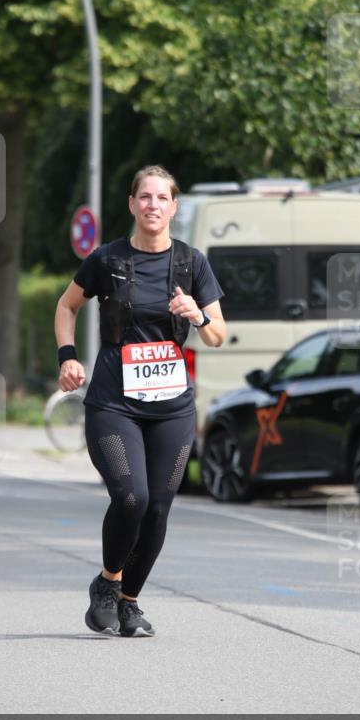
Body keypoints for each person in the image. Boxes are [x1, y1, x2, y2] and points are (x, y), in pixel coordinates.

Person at [55, 165, 225, 637]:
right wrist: (67, 356)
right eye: (145, 197)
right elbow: (67, 305)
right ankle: (107, 583)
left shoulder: (192, 263)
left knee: (158, 506)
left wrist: (197, 314)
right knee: (132, 497)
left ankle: (129, 602)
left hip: (172, 407)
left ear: (174, 207)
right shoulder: (107, 259)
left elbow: (217, 334)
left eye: (162, 198)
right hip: (114, 404)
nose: (153, 205)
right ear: (132, 204)